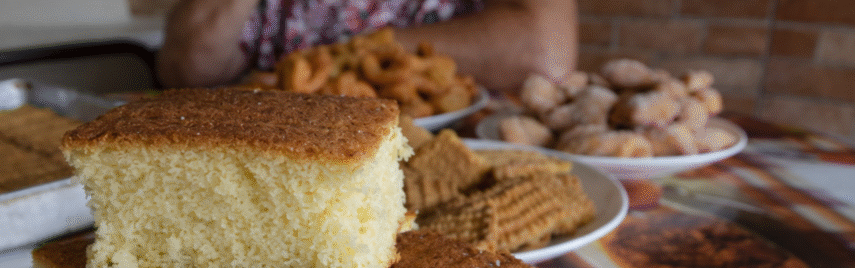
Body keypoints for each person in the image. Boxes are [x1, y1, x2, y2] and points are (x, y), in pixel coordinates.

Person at [156, 0, 578, 93]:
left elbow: (544, 53)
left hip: (454, 152)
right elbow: (187, 72)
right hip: (276, 158)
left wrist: (345, 58)